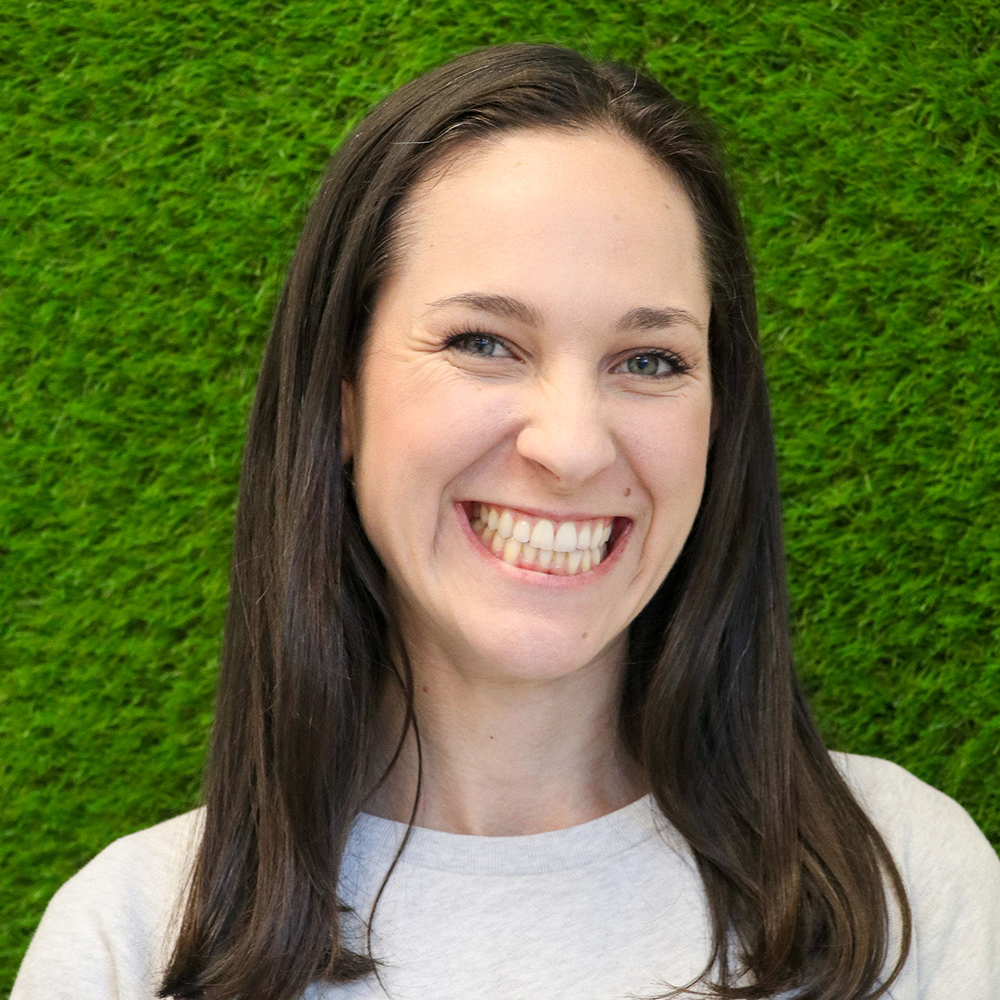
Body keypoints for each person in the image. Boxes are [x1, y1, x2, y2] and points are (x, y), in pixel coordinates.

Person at [12, 42, 1000, 1000]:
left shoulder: (908, 887)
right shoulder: (132, 943)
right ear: (341, 393)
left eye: (650, 360)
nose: (571, 445)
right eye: (484, 341)